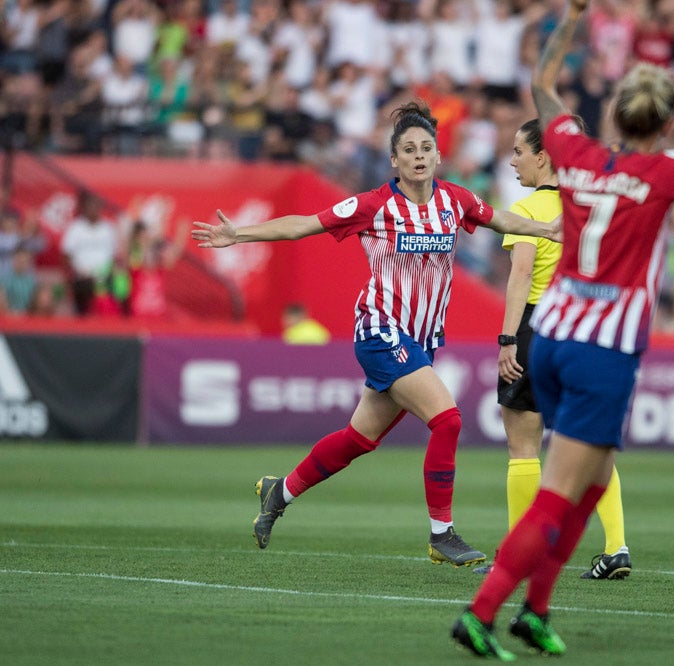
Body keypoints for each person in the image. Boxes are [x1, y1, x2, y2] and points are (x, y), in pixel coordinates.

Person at [452, 1, 674, 658]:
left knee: (591, 481)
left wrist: (569, 22)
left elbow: (542, 84)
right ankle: (481, 615)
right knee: (559, 494)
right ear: (667, 123)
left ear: (616, 115)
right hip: (603, 350)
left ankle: (536, 612)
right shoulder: (663, 175)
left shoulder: (574, 152)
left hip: (552, 333)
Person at [191, 101, 562, 568]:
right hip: (381, 329)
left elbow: (501, 219)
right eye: (409, 149)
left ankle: (278, 492)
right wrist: (239, 235)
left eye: (426, 148)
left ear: (438, 155)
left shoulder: (456, 200)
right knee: (447, 420)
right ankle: (441, 534)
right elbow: (304, 224)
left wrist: (546, 229)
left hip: (420, 340)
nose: (419, 156)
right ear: (394, 159)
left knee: (359, 438)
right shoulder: (373, 205)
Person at [482, 117, 632, 580]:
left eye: (519, 151)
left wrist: (508, 339)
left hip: (537, 326)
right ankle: (616, 547)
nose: (512, 161)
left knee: (523, 447)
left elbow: (521, 275)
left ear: (543, 156)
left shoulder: (528, 208)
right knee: (591, 444)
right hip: (585, 327)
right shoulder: (589, 203)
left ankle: (517, 554)